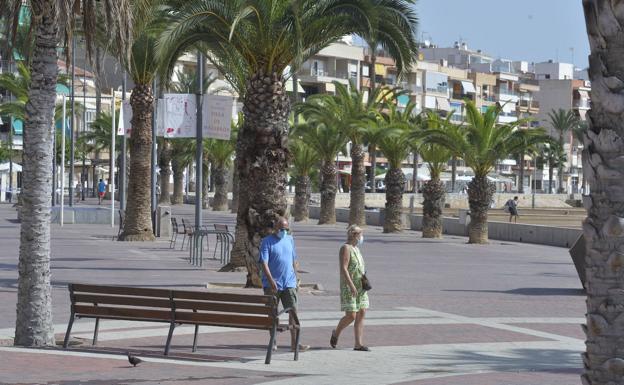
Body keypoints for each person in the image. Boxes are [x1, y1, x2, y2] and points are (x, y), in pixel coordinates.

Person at [259, 217, 310, 353]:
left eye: (286, 229)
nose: (284, 232)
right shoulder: (266, 242)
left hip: (289, 283)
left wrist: (296, 279)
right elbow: (264, 263)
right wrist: (271, 281)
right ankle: (273, 341)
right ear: (275, 227)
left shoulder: (290, 239)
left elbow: (294, 260)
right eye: (282, 229)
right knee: (273, 313)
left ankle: (295, 343)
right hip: (272, 285)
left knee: (293, 313)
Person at [330, 225, 370, 351]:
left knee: (362, 312)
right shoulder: (345, 248)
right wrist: (351, 285)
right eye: (360, 234)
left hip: (361, 286)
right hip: (349, 285)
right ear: (354, 235)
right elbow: (344, 268)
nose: (362, 236)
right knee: (351, 315)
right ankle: (336, 332)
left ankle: (358, 344)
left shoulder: (356, 249)